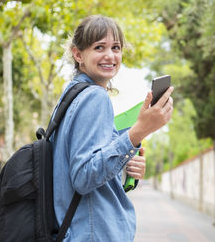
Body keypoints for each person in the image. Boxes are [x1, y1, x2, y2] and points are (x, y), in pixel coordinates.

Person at [51, 15, 173, 241]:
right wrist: (138, 132)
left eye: (115, 47)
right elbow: (83, 177)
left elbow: (82, 170)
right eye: (99, 47)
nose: (110, 55)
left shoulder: (70, 96)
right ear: (78, 54)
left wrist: (125, 165)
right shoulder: (94, 97)